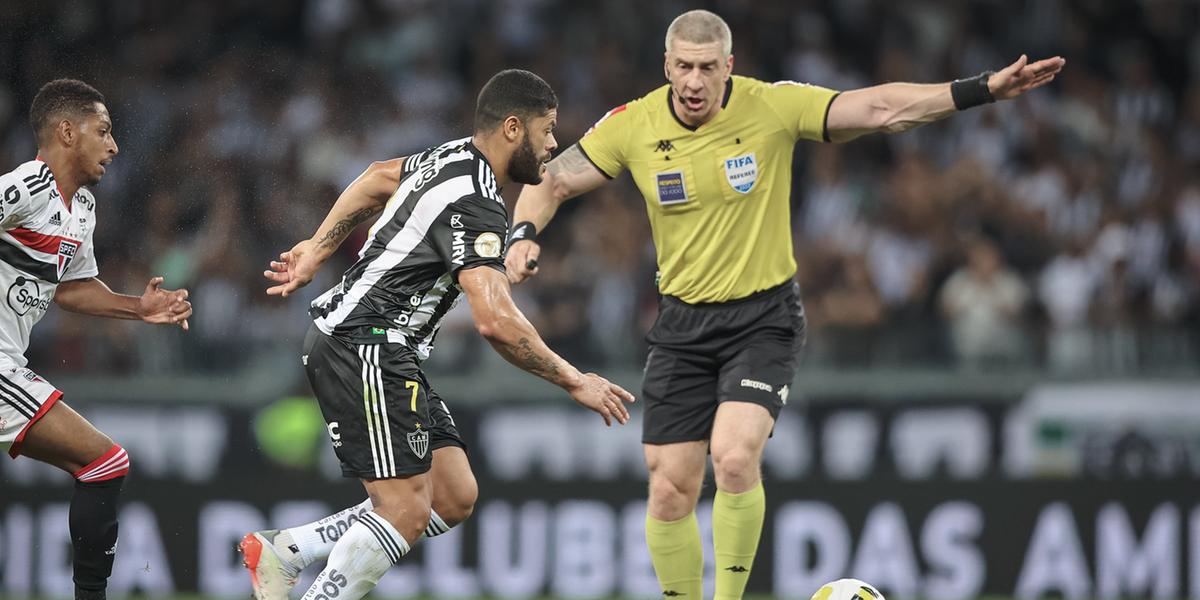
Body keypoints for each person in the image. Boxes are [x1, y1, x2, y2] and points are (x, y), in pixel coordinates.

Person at [505, 10, 1065, 600]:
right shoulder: (633, 124)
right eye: (684, 68)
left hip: (762, 319)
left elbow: (879, 109)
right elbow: (554, 179)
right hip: (680, 325)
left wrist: (981, 89)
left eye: (707, 68)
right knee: (669, 488)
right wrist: (521, 234)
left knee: (735, 456)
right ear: (666, 66)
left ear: (729, 67)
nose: (694, 82)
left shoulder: (771, 107)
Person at [239, 69, 635, 600]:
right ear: (514, 128)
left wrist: (317, 245)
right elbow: (494, 320)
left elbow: (379, 175)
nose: (553, 143)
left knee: (452, 495)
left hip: (379, 345)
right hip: (366, 343)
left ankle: (288, 549)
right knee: (403, 511)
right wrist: (573, 379)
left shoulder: (447, 158)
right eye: (548, 129)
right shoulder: (480, 202)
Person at [0, 79, 193, 600]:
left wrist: (139, 307)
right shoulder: (25, 188)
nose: (114, 146)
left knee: (101, 464)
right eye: (103, 132)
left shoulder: (80, 207)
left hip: (9, 360)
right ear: (67, 132)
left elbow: (70, 290)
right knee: (104, 462)